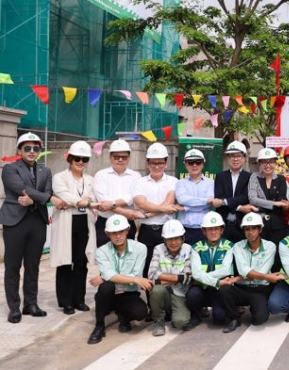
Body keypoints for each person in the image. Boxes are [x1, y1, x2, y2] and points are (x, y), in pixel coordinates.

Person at [1, 132, 60, 323]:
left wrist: (33, 202)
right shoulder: (10, 169)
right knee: (13, 266)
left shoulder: (45, 171)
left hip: (37, 221)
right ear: (19, 150)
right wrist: (49, 199)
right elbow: (22, 189)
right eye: (27, 148)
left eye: (36, 148)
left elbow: (45, 190)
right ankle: (14, 307)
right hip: (15, 222)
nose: (32, 151)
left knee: (33, 265)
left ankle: (30, 304)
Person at [88, 215, 151, 344]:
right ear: (107, 234)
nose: (118, 236)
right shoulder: (101, 251)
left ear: (127, 230)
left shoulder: (140, 248)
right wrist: (108, 276)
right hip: (109, 293)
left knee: (140, 313)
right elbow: (130, 278)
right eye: (114, 233)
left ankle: (123, 315)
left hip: (128, 292)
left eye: (121, 232)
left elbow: (136, 274)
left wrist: (106, 276)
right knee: (106, 286)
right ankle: (99, 325)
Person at [51, 141, 96, 315]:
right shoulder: (59, 177)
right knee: (64, 262)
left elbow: (91, 198)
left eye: (84, 159)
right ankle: (65, 301)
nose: (80, 162)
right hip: (65, 223)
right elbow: (64, 195)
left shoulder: (90, 180)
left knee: (80, 262)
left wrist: (77, 202)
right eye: (77, 158)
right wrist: (82, 201)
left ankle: (79, 299)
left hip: (83, 222)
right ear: (70, 159)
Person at [220, 213, 285, 333]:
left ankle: (254, 308)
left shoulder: (270, 246)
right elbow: (243, 270)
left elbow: (261, 271)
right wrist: (266, 277)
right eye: (247, 229)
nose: (250, 232)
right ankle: (234, 318)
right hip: (242, 289)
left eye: (254, 228)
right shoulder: (237, 247)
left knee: (259, 320)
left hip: (260, 290)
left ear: (260, 229)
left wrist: (239, 277)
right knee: (225, 289)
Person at [132, 143, 181, 278]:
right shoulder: (139, 182)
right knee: (147, 268)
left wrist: (147, 214)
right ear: (147, 163)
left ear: (166, 163)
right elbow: (141, 202)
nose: (157, 166)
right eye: (153, 163)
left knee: (167, 267)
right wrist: (163, 209)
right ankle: (150, 299)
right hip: (146, 231)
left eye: (160, 163)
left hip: (167, 230)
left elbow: (169, 202)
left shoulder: (174, 181)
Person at [186, 212, 234, 328]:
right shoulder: (196, 247)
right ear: (204, 231)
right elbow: (196, 274)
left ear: (221, 230)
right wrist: (213, 280)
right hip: (203, 287)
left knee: (219, 318)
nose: (213, 232)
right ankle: (196, 315)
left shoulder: (229, 246)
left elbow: (225, 270)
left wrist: (203, 276)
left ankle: (224, 310)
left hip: (219, 289)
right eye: (209, 229)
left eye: (216, 229)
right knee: (192, 295)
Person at [148, 219, 193, 335]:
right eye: (169, 239)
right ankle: (158, 320)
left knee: (180, 322)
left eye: (177, 238)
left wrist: (162, 279)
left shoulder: (188, 249)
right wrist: (177, 278)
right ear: (164, 240)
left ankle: (173, 315)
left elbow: (187, 278)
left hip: (180, 292)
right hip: (164, 290)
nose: (173, 242)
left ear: (182, 238)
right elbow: (151, 275)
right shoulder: (158, 249)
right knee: (156, 290)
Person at [92, 139, 140, 246]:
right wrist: (125, 212)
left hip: (127, 223)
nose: (120, 160)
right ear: (110, 157)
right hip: (105, 223)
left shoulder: (136, 176)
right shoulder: (101, 175)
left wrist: (112, 204)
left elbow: (132, 197)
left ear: (129, 158)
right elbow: (103, 200)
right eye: (116, 157)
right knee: (105, 259)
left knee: (127, 259)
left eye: (124, 157)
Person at [243, 148, 289, 246]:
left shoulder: (281, 179)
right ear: (259, 164)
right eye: (264, 162)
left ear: (275, 163)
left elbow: (281, 201)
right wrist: (274, 203)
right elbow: (252, 199)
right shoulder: (254, 177)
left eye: (271, 162)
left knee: (277, 254)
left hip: (277, 224)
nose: (268, 165)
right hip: (259, 224)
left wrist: (261, 205)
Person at [212, 141, 252, 243]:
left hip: (242, 224)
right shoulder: (220, 176)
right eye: (231, 156)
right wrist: (240, 207)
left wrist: (224, 202)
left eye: (238, 156)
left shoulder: (250, 177)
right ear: (227, 158)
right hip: (223, 225)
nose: (235, 159)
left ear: (244, 158)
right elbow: (219, 198)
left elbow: (245, 197)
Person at [175, 148, 214, 245]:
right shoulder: (180, 183)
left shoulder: (211, 183)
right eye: (191, 162)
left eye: (198, 162)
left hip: (204, 229)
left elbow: (210, 203)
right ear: (185, 164)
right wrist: (205, 201)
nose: (194, 165)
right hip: (184, 229)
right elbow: (182, 199)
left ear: (203, 164)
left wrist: (185, 208)